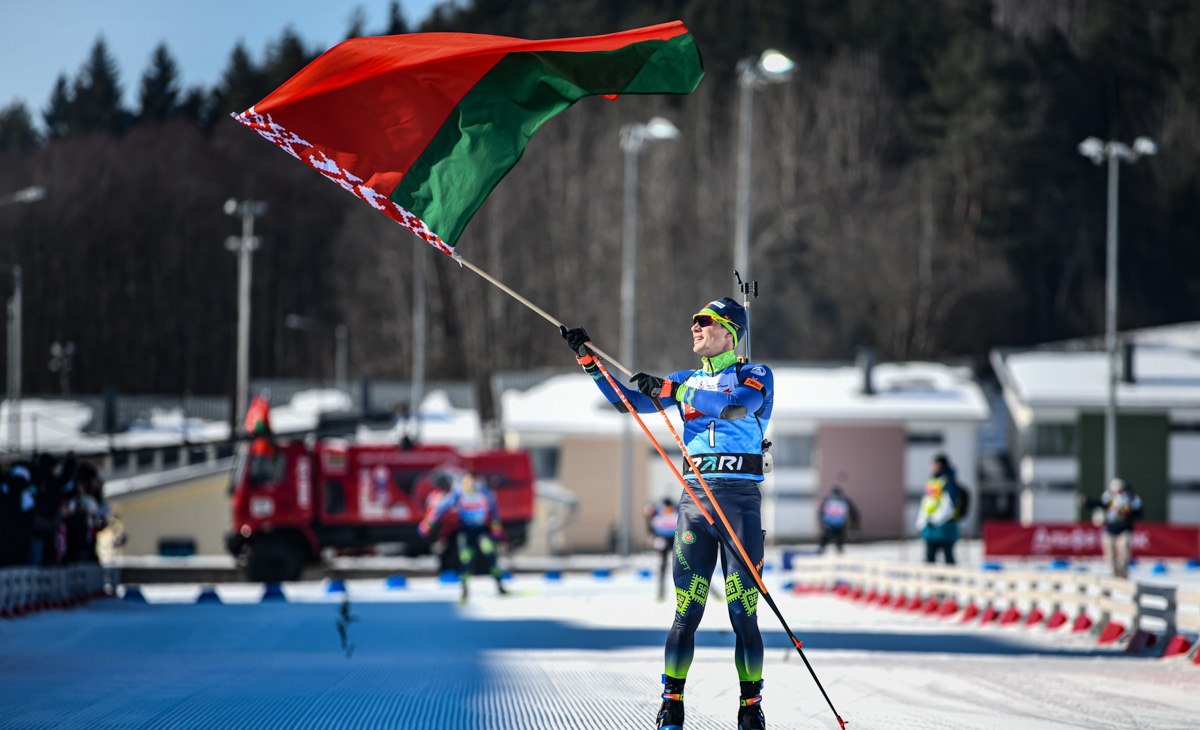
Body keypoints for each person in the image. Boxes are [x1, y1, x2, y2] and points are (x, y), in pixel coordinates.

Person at [562, 295, 774, 730]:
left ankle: (750, 707)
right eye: (693, 321)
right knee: (686, 611)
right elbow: (626, 401)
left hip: (739, 505)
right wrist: (588, 359)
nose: (694, 327)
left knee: (742, 612)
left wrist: (676, 390)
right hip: (696, 504)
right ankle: (671, 703)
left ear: (731, 331)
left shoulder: (754, 374)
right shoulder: (686, 380)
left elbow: (736, 407)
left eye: (705, 321)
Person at [419, 468, 509, 602]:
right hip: (466, 530)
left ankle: (499, 585)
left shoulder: (483, 491)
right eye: (466, 482)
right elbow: (443, 507)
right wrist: (430, 523)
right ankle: (465, 589)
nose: (469, 485)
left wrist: (496, 527)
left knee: (489, 552)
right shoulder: (459, 493)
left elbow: (494, 509)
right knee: (466, 558)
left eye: (471, 481)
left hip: (480, 530)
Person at [1083, 477, 1143, 578]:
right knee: (1110, 553)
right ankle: (1114, 573)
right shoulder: (1109, 497)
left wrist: (1127, 513)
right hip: (1110, 529)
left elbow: (1138, 512)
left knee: (1124, 550)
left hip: (1124, 529)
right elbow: (1099, 504)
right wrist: (1087, 502)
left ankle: (1123, 572)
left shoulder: (1131, 498)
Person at [916, 454, 961, 565]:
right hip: (931, 527)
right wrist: (921, 520)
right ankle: (933, 581)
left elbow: (948, 505)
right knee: (929, 558)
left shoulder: (948, 481)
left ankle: (949, 581)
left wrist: (936, 519)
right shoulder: (932, 480)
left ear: (940, 465)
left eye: (934, 464)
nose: (931, 467)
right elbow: (927, 502)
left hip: (945, 527)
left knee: (948, 558)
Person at [645, 498, 680, 602]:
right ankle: (661, 591)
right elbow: (651, 527)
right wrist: (655, 538)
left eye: (670, 508)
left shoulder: (677, 511)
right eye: (666, 508)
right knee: (663, 566)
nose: (668, 510)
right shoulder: (658, 513)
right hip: (663, 541)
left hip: (675, 540)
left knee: (685, 564)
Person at [817, 485, 858, 555]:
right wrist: (854, 524)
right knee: (833, 538)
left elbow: (821, 512)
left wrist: (822, 522)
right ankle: (831, 550)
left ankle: (834, 550)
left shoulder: (828, 500)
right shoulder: (843, 500)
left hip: (833, 524)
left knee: (834, 538)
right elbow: (854, 513)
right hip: (835, 524)